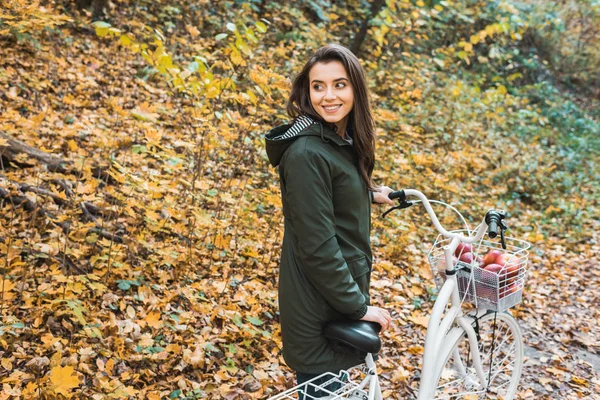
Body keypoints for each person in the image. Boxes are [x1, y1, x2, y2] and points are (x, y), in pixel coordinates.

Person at [265, 44, 394, 398]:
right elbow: (318, 247)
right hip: (318, 302)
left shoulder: (334, 140)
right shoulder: (306, 153)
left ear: (355, 88)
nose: (328, 96)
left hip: (332, 296)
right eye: (318, 86)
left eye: (339, 84)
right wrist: (359, 307)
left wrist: (370, 191)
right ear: (306, 92)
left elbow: (329, 193)